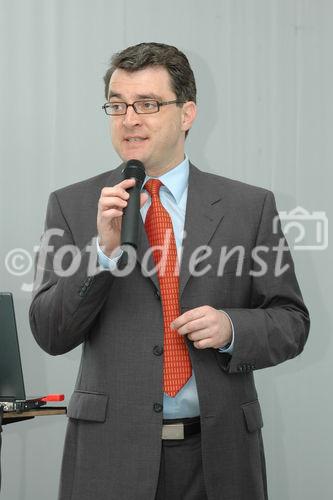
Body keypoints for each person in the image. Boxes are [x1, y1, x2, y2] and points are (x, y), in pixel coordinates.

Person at [29, 42, 310, 500]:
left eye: (148, 104)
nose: (130, 119)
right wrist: (102, 254)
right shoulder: (74, 204)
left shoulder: (249, 207)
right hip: (109, 458)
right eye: (117, 105)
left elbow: (293, 322)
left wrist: (232, 327)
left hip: (220, 458)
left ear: (187, 113)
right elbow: (50, 333)